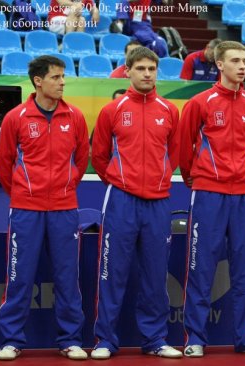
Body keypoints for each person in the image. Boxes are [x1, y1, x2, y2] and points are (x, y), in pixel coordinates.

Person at [179, 40, 245, 358]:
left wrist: (243, 175)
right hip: (209, 193)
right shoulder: (200, 102)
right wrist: (196, 178)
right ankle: (195, 337)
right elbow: (184, 147)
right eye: (235, 60)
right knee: (201, 267)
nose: (243, 66)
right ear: (219, 65)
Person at [0, 55, 89, 361]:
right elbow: (4, 162)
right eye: (56, 77)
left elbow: (82, 160)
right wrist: (26, 192)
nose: (62, 82)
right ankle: (11, 339)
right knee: (19, 276)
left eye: (63, 77)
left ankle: (70, 339)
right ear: (38, 81)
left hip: (64, 209)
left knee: (67, 277)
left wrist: (65, 187)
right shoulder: (16, 117)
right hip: (26, 210)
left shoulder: (75, 116)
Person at [90, 46, 181, 360]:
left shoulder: (169, 111)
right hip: (121, 201)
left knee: (156, 276)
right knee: (112, 273)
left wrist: (159, 179)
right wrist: (121, 181)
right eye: (140, 68)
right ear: (127, 71)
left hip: (158, 202)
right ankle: (105, 340)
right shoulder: (112, 111)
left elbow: (176, 152)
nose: (146, 74)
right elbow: (99, 156)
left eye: (151, 69)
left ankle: (155, 339)